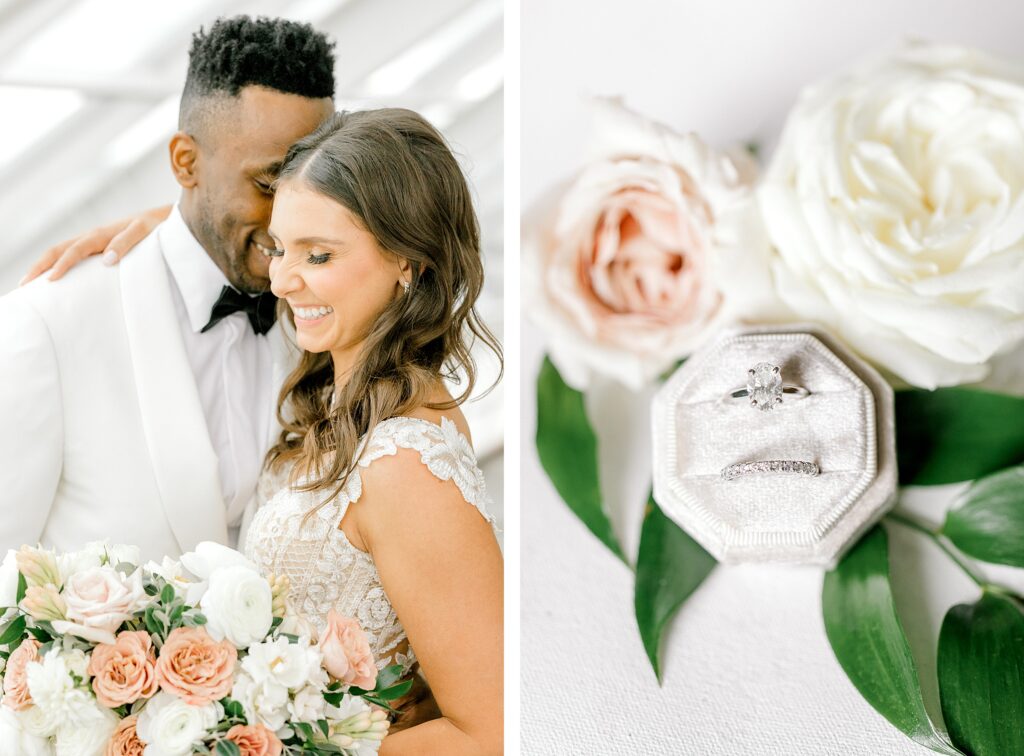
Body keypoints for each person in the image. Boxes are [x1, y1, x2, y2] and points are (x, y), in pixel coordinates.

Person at [25, 106, 505, 754]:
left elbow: (494, 734)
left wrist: (299, 744)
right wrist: (170, 238)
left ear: (407, 261)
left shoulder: (406, 461)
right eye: (281, 246)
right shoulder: (337, 381)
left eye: (318, 254)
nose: (281, 279)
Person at [0, 16, 335, 557]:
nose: (292, 218)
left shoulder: (332, 312)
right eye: (269, 184)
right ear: (186, 162)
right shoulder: (49, 325)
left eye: (316, 185)